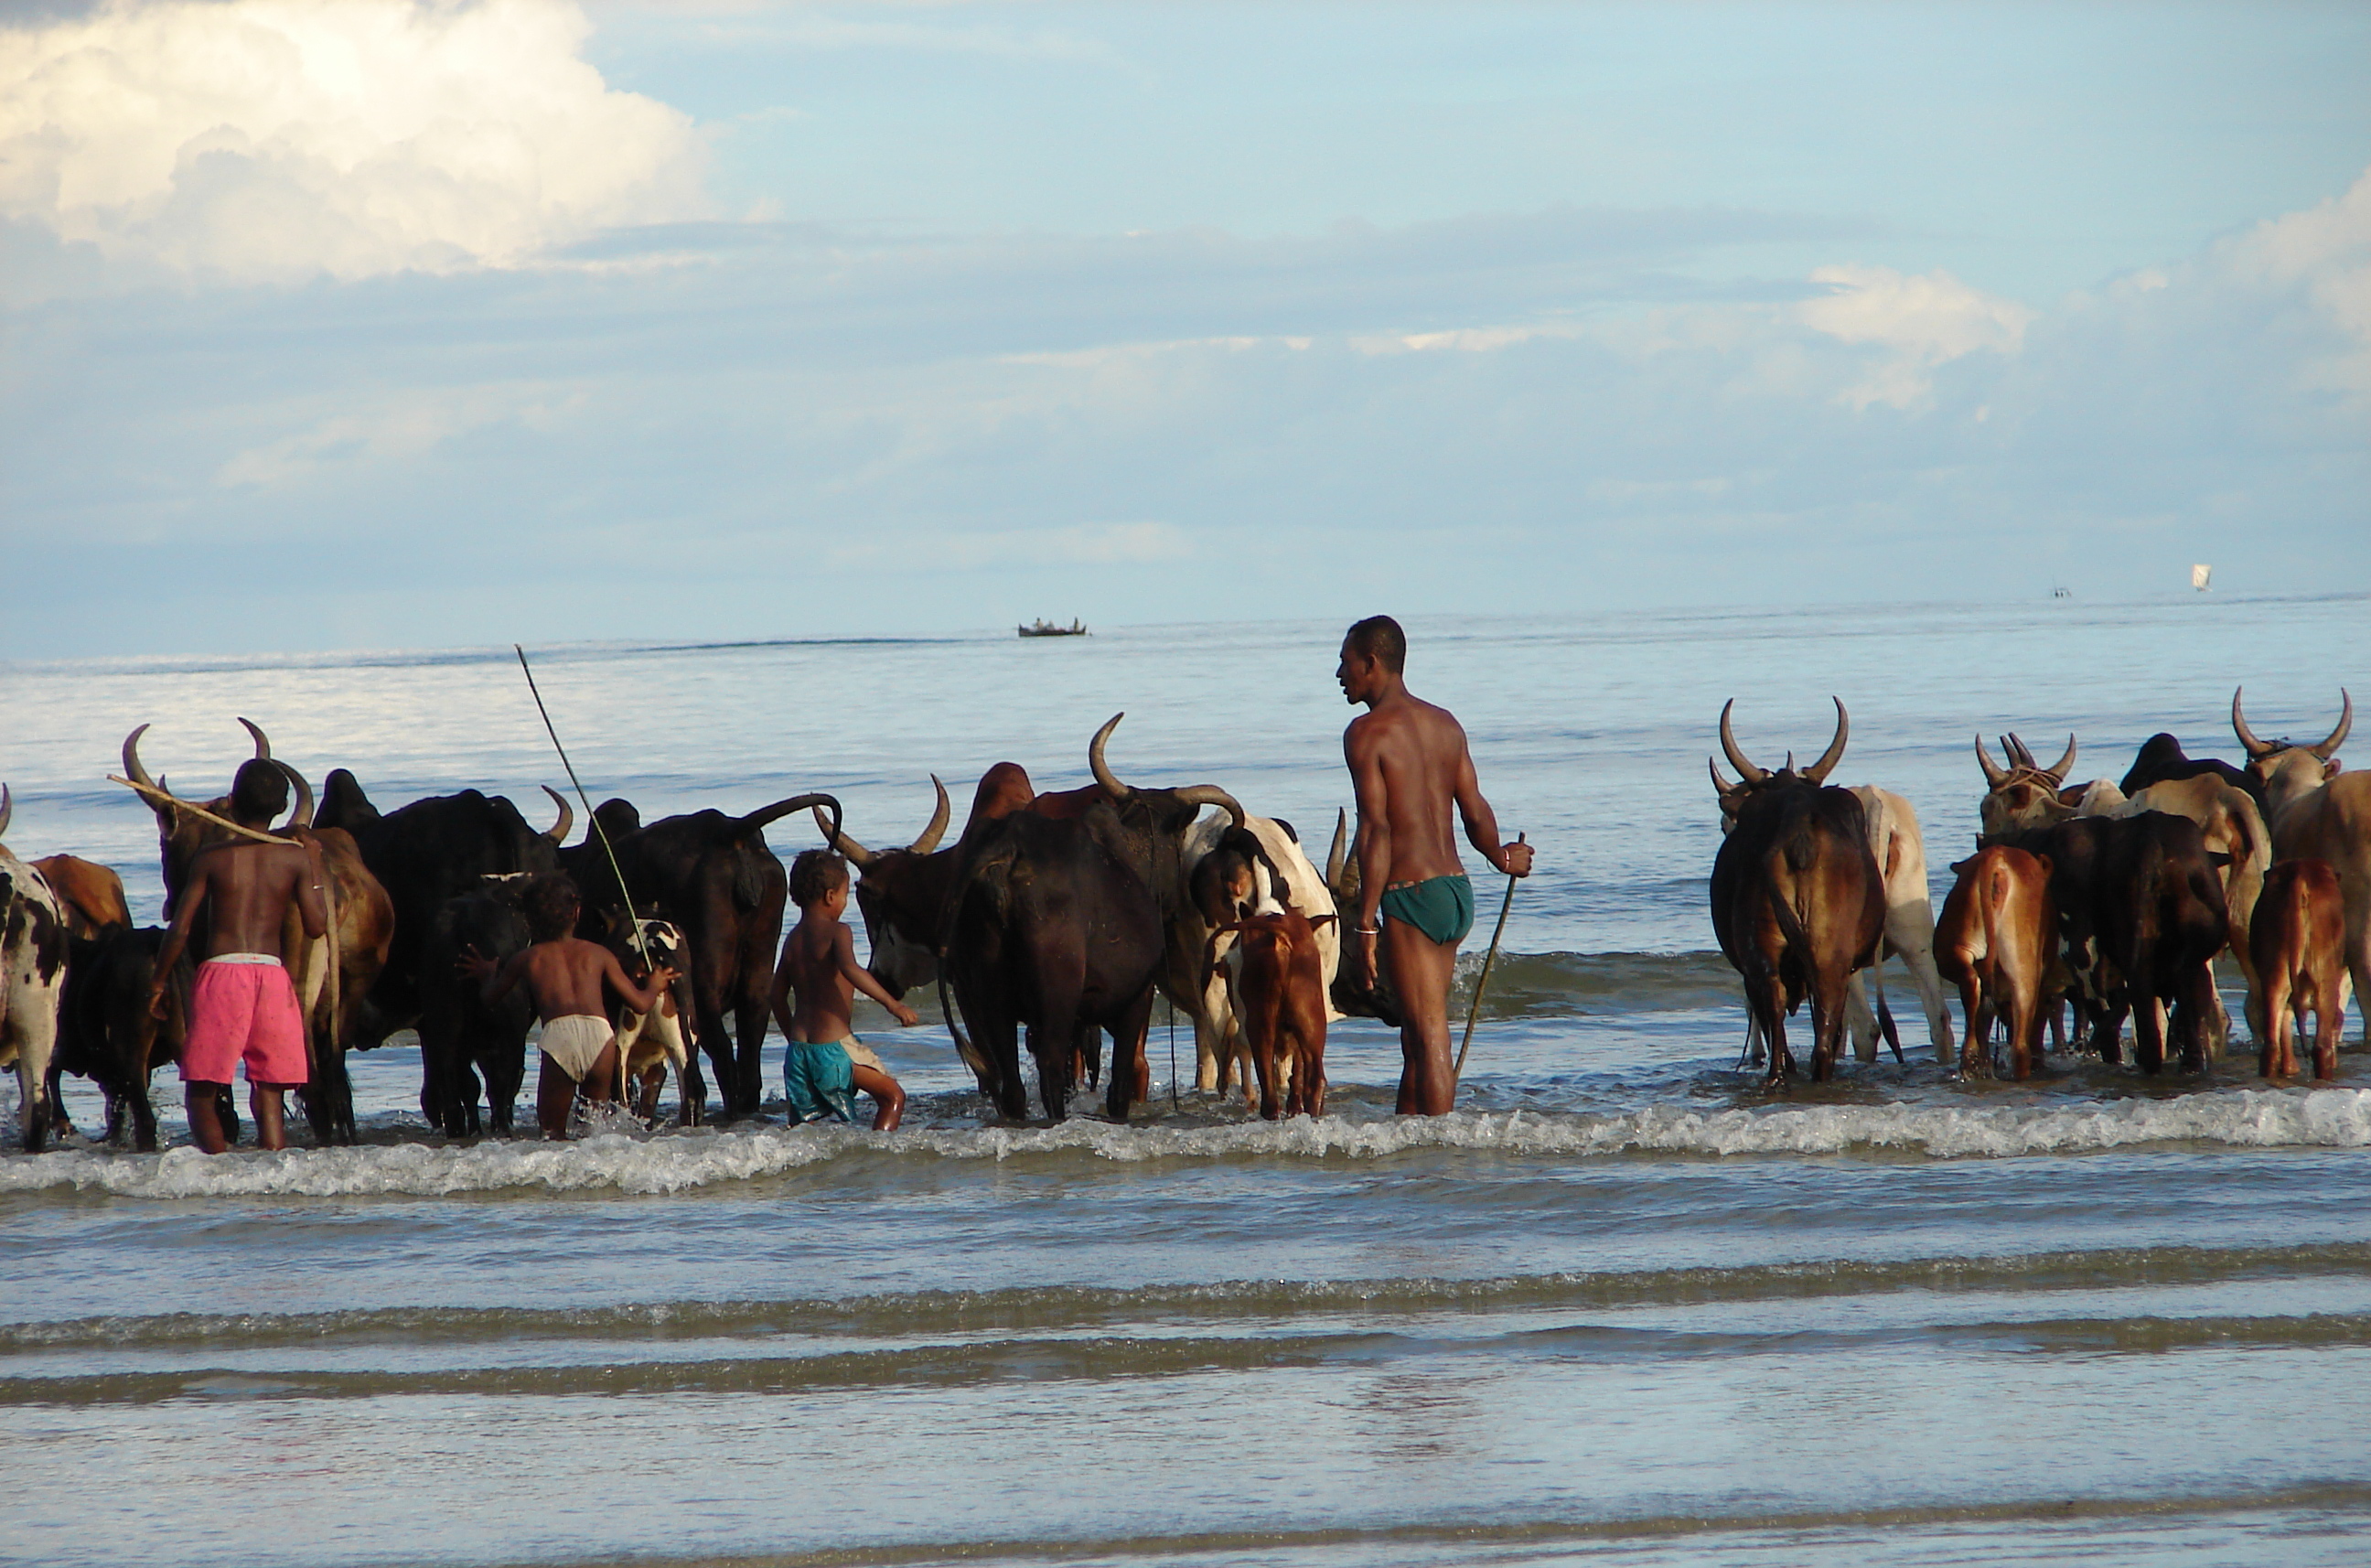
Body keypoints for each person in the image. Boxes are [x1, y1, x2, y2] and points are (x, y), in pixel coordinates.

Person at [1338, 614, 1534, 1115]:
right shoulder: (1446, 723)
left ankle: (1444, 1156)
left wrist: (1364, 924)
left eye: (1345, 664)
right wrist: (1501, 857)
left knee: (1429, 1035)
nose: (1340, 675)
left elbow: (1375, 829)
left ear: (1371, 662)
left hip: (1411, 893)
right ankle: (1409, 1146)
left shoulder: (1366, 733)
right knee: (1415, 1036)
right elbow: (1474, 808)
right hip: (1454, 892)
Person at [149, 759, 327, 1154]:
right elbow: (316, 925)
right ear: (281, 809)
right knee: (269, 1091)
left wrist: (159, 982)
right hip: (272, 977)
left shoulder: (211, 858)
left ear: (230, 802)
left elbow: (179, 928)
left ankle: (219, 1174)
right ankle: (271, 1171)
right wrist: (313, 862)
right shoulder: (294, 858)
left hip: (222, 974)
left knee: (202, 1090)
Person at [458, 875, 676, 1140]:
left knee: (552, 1133)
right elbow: (641, 1004)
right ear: (577, 912)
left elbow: (490, 998)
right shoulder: (598, 954)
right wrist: (655, 984)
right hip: (600, 1037)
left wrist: (487, 975)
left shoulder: (527, 958)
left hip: (560, 1038)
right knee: (595, 1131)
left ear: (528, 919)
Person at [770, 850, 917, 1129]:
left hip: (799, 1052)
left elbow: (776, 996)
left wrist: (794, 1039)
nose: (844, 902)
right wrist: (893, 1004)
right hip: (834, 1050)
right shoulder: (839, 932)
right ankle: (879, 1155)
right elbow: (851, 970)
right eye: (845, 893)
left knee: (802, 1127)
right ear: (830, 897)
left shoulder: (793, 939)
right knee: (892, 1096)